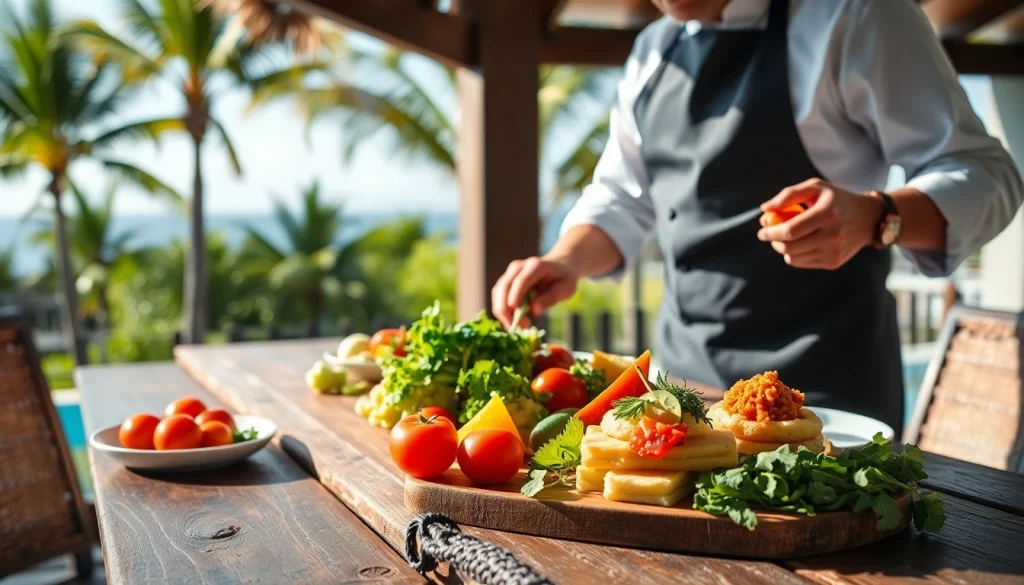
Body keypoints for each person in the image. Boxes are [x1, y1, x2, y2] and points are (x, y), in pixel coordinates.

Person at [491, 0, 1023, 436]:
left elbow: (988, 175)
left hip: (827, 406)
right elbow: (623, 198)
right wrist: (565, 260)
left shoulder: (855, 16)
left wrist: (877, 216)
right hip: (680, 401)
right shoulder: (654, 51)